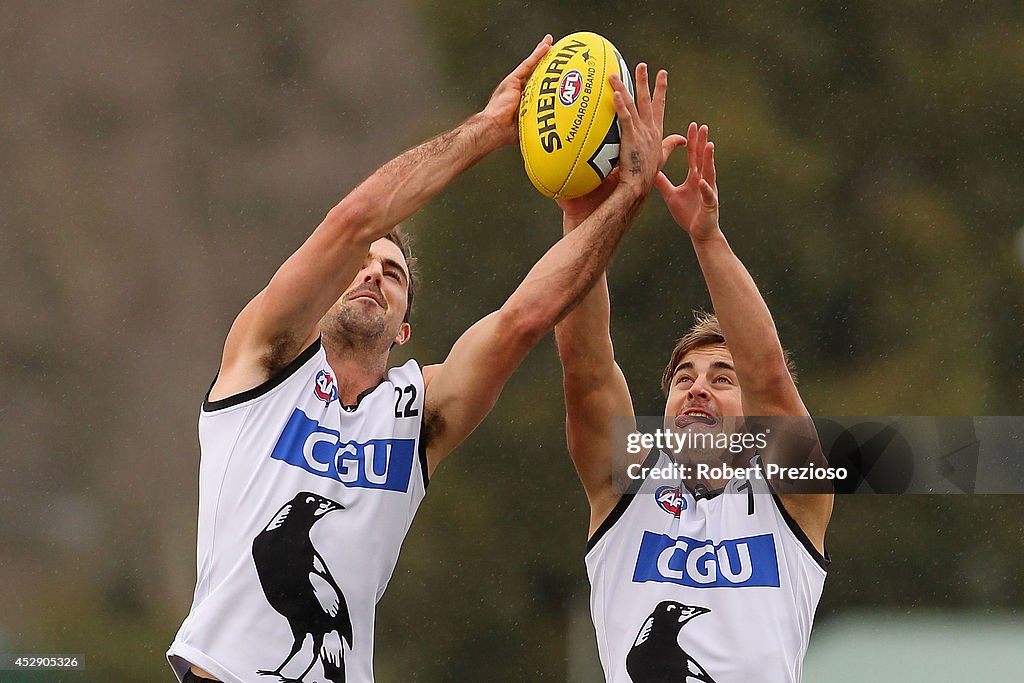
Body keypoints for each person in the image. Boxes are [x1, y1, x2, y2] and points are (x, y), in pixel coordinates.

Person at [167, 34, 677, 683]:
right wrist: (489, 128)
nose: (373, 273)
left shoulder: (418, 412)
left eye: (393, 272)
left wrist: (617, 201)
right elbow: (352, 219)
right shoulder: (262, 363)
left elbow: (525, 318)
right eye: (362, 264)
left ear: (405, 327)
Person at [554, 122, 834, 682]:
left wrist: (707, 238)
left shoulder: (793, 502)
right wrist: (585, 212)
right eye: (684, 377)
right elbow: (586, 368)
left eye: (722, 378)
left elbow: (772, 381)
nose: (697, 387)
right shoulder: (626, 489)